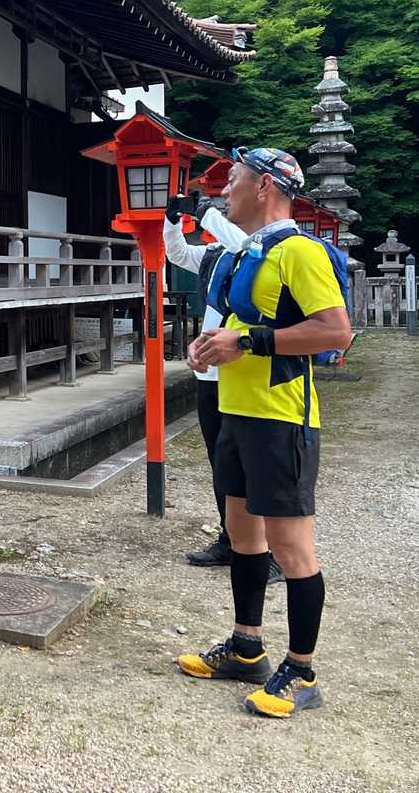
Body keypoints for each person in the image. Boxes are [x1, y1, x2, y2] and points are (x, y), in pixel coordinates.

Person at [177, 148, 352, 719]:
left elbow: (337, 332)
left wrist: (247, 342)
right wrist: (209, 344)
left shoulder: (299, 250)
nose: (223, 190)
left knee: (291, 546)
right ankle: (246, 647)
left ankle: (302, 671)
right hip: (236, 410)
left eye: (233, 179)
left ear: (264, 188)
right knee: (242, 533)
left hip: (281, 416)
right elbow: (240, 324)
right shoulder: (248, 252)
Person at [164, 194, 282, 584]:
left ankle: (272, 551)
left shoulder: (260, 249)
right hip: (210, 375)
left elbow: (243, 244)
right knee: (223, 465)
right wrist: (172, 220)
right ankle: (232, 539)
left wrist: (208, 215)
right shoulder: (216, 256)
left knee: (256, 466)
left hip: (248, 372)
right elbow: (178, 254)